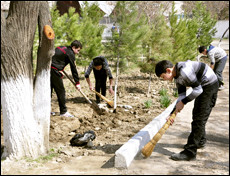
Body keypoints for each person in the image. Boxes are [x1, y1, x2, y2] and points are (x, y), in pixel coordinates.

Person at [155, 60, 219, 161]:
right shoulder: (177, 77)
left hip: (209, 86)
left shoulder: (184, 72)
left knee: (199, 119)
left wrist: (184, 102)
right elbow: (181, 96)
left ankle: (189, 152)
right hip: (203, 86)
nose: (164, 80)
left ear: (168, 70)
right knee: (197, 116)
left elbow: (198, 90)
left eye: (163, 77)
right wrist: (173, 113)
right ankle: (200, 141)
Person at [50, 40, 82, 117]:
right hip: (54, 71)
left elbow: (57, 58)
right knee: (61, 91)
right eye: (78, 50)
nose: (78, 52)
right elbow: (73, 69)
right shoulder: (70, 53)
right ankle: (63, 112)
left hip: (48, 69)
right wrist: (77, 83)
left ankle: (46, 110)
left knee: (49, 90)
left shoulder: (62, 47)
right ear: (74, 47)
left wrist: (60, 68)